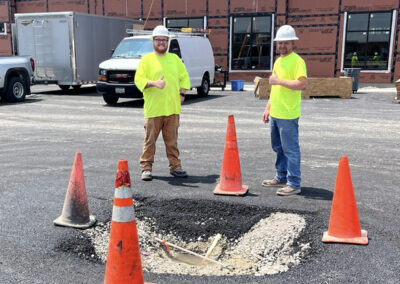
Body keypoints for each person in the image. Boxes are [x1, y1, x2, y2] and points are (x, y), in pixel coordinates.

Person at [134, 25, 190, 181]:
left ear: (168, 41)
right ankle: (146, 168)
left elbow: (184, 77)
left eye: (164, 40)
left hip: (172, 109)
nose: (161, 43)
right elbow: (138, 80)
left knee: (172, 141)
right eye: (158, 39)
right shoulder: (146, 60)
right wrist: (153, 83)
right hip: (154, 110)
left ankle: (175, 167)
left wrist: (182, 94)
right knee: (149, 141)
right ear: (153, 41)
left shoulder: (175, 59)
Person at [261, 25, 307, 196]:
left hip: (288, 114)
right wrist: (267, 108)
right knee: (278, 148)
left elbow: (302, 84)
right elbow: (275, 89)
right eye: (280, 43)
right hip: (276, 113)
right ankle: (281, 176)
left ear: (292, 43)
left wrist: (279, 81)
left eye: (285, 43)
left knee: (291, 149)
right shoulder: (278, 61)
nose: (282, 46)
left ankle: (294, 183)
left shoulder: (297, 61)